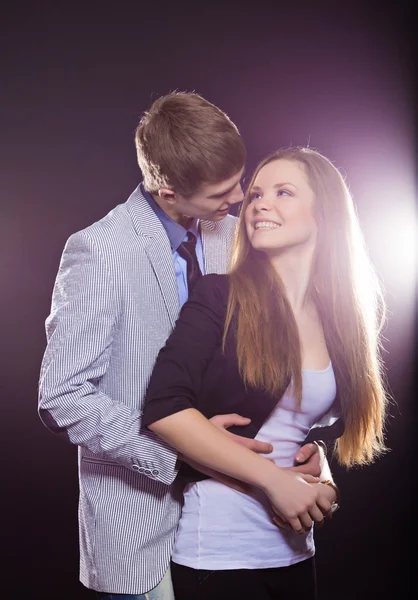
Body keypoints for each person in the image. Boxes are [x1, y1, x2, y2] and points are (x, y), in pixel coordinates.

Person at [38, 94, 326, 600]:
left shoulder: (236, 233)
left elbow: (288, 362)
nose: (241, 198)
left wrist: (309, 452)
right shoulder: (102, 251)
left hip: (240, 524)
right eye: (223, 191)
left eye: (241, 181)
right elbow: (62, 395)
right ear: (168, 192)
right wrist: (185, 450)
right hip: (139, 527)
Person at [142, 147, 389, 600]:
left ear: (325, 213)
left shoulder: (342, 321)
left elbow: (311, 428)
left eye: (283, 192)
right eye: (255, 194)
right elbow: (164, 408)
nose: (258, 204)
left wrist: (323, 471)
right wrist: (274, 481)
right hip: (219, 557)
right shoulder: (219, 296)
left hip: (296, 554)